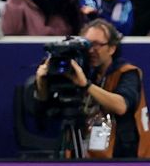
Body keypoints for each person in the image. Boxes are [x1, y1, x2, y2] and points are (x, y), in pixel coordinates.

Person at [35, 19, 150, 158]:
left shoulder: (127, 73)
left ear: (112, 48)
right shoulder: (82, 72)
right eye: (87, 45)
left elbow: (121, 106)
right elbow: (45, 112)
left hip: (124, 155)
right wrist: (41, 82)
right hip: (87, 151)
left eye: (97, 45)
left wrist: (87, 85)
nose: (91, 50)